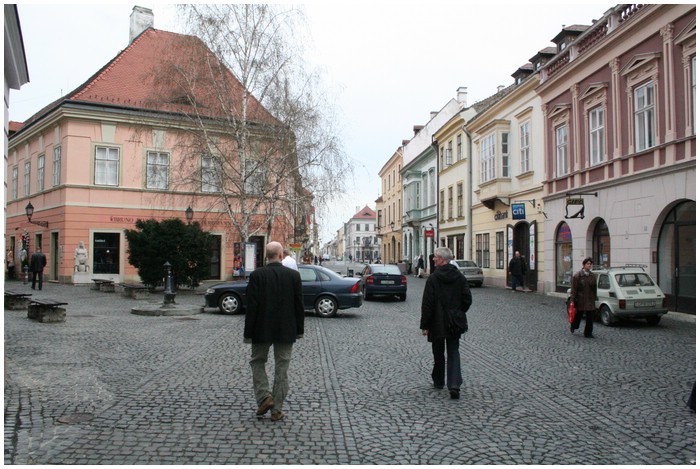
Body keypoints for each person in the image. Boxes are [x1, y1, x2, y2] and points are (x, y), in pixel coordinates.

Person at [244, 241, 304, 422]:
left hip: (261, 328)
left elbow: (251, 306)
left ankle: (264, 397)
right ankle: (277, 410)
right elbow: (299, 305)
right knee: (282, 367)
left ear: (266, 257)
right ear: (280, 256)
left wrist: (248, 333)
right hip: (286, 329)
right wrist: (299, 330)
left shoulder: (257, 275)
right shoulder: (293, 276)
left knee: (257, 361)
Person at [420, 247, 472, 399]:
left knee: (438, 351)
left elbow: (427, 304)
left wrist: (425, 325)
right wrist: (458, 312)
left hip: (437, 322)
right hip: (454, 321)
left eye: (435, 257)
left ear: (442, 259)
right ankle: (454, 384)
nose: (433, 259)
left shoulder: (434, 278)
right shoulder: (459, 277)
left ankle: (438, 380)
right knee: (453, 351)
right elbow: (467, 299)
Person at [570, 257, 597, 338]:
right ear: (584, 265)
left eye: (590, 264)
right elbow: (574, 289)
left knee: (590, 317)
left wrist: (595, 297)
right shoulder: (577, 276)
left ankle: (588, 333)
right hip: (580, 299)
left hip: (590, 299)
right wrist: (573, 299)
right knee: (578, 315)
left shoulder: (592, 276)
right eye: (588, 264)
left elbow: (594, 288)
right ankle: (574, 326)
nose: (589, 265)